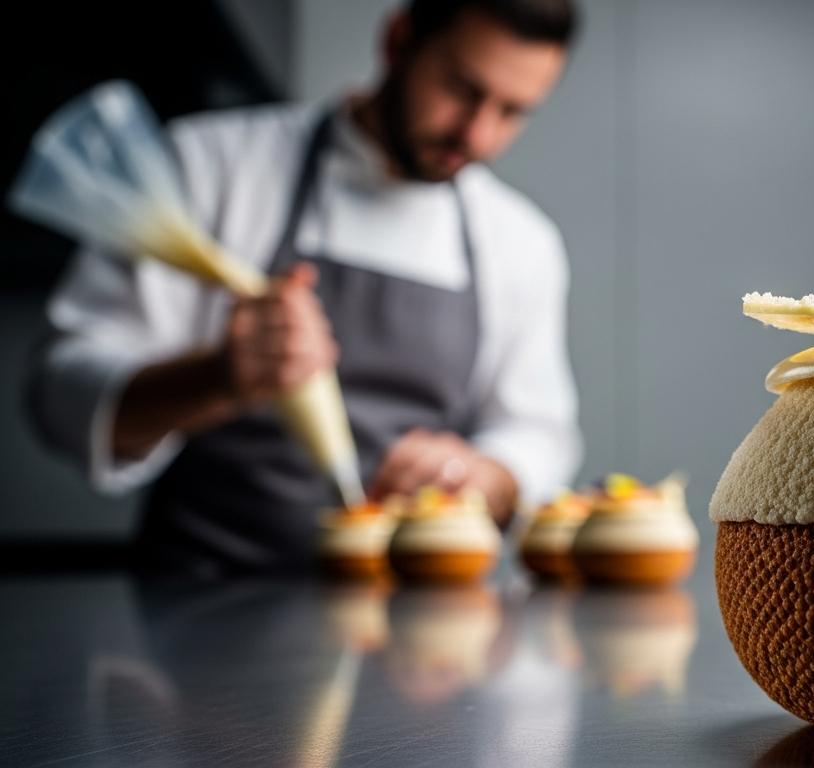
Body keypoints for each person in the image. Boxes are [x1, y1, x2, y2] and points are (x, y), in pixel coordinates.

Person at [29, 0, 582, 577]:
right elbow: (57, 392)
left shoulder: (520, 242)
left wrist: (488, 476)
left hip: (416, 619)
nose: (478, 134)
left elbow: (536, 433)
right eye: (461, 89)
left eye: (512, 111)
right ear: (398, 41)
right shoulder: (212, 166)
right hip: (201, 602)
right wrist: (217, 377)